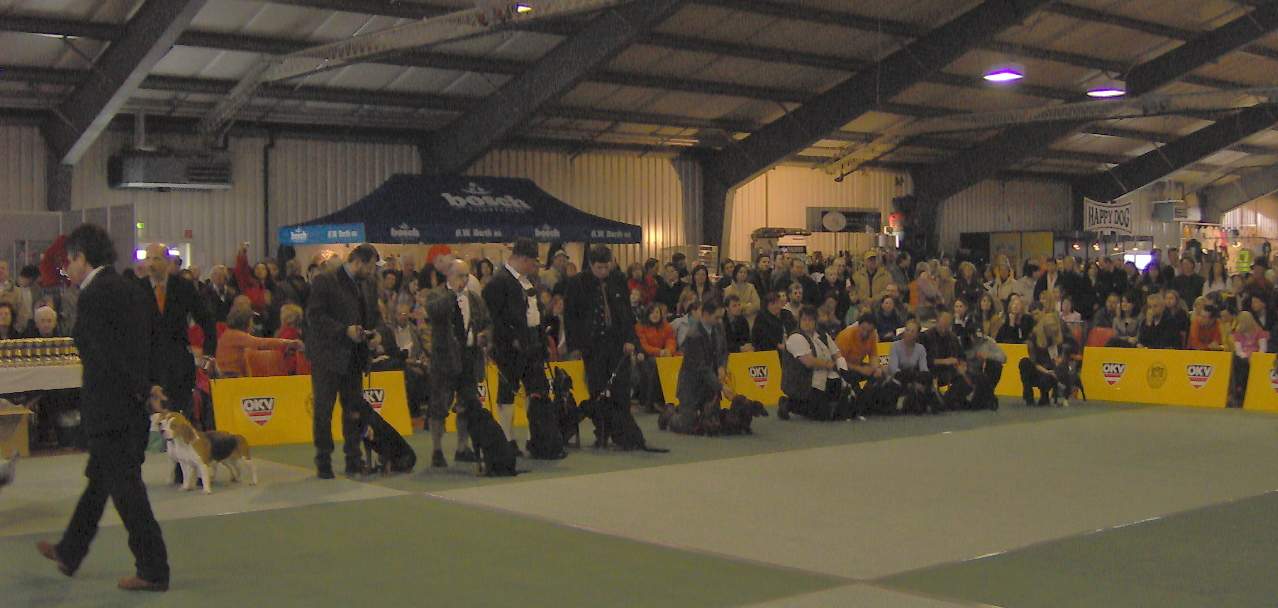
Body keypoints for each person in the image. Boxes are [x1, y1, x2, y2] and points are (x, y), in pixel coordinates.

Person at [36, 223, 170, 592]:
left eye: (69, 261)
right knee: (99, 482)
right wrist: (148, 387)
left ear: (82, 258)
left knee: (127, 492)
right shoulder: (129, 288)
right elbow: (146, 343)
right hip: (128, 406)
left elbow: (105, 355)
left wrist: (140, 388)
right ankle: (70, 551)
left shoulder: (94, 295)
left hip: (111, 407)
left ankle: (153, 569)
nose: (68, 269)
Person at [139, 243, 217, 483]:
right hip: (147, 362)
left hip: (178, 361)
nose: (151, 264)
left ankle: (190, 468)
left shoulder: (183, 287)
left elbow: (206, 319)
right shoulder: (137, 289)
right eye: (148, 259)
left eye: (156, 259)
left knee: (184, 416)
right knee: (146, 418)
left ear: (168, 262)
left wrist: (209, 353)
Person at [305, 244, 382, 479]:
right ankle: (324, 460)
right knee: (323, 411)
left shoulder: (368, 284)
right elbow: (315, 317)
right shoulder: (325, 281)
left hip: (354, 358)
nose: (372, 272)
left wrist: (376, 334)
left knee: (353, 411)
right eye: (370, 267)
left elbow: (374, 317)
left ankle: (353, 458)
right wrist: (343, 331)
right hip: (327, 357)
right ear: (357, 262)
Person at [563, 245, 638, 447]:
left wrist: (630, 339)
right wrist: (574, 347)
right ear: (590, 264)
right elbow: (570, 317)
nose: (604, 271)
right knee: (597, 390)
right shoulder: (577, 283)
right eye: (599, 267)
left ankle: (622, 433)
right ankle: (602, 432)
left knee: (621, 389)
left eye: (607, 267)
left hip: (617, 343)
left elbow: (627, 312)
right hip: (592, 346)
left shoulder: (619, 279)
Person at [483, 238, 548, 453]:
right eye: (532, 262)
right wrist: (511, 339)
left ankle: (535, 437)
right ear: (521, 259)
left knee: (536, 391)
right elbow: (495, 318)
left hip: (533, 343)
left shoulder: (528, 281)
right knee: (508, 392)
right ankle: (507, 439)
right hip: (509, 347)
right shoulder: (498, 282)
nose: (534, 267)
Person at [425, 259, 488, 467]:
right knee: (439, 406)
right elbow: (434, 311)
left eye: (466, 275)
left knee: (467, 404)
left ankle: (462, 446)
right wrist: (453, 294)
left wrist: (484, 335)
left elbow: (487, 323)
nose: (464, 279)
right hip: (444, 360)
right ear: (449, 276)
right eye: (460, 275)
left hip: (469, 357)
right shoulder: (437, 295)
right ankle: (436, 449)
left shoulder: (475, 299)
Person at [779, 305, 850, 421]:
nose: (807, 323)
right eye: (804, 319)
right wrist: (829, 364)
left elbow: (837, 354)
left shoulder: (823, 335)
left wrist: (843, 370)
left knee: (837, 407)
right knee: (821, 415)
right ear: (799, 321)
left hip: (826, 378)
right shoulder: (796, 337)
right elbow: (808, 361)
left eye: (810, 320)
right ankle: (788, 403)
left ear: (816, 321)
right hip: (805, 383)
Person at [674, 299, 727, 421]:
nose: (720, 320)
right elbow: (701, 367)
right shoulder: (693, 335)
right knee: (688, 423)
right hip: (691, 387)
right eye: (717, 317)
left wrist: (721, 366)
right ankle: (672, 416)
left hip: (709, 387)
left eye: (721, 317)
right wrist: (721, 387)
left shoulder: (719, 327)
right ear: (706, 314)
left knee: (714, 422)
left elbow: (724, 351)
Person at [215, 308, 301, 378]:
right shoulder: (235, 335)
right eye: (251, 320)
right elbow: (261, 343)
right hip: (230, 378)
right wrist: (286, 342)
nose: (252, 324)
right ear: (244, 322)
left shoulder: (230, 334)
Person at [1019, 313, 1077, 407]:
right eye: (1050, 329)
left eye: (1054, 329)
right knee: (1024, 362)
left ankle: (1047, 395)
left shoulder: (1056, 340)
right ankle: (1028, 394)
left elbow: (1056, 357)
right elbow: (1034, 362)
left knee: (1060, 369)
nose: (1053, 332)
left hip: (1051, 369)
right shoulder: (1033, 338)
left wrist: (1059, 362)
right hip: (1038, 369)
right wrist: (1046, 371)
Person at [835, 313, 884, 413]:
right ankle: (854, 404)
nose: (865, 333)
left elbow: (873, 356)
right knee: (853, 375)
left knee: (878, 375)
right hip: (841, 368)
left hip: (857, 365)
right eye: (863, 329)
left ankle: (864, 403)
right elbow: (839, 361)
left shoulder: (872, 336)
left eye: (869, 331)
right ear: (858, 326)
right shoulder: (846, 336)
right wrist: (860, 369)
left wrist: (875, 368)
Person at [886, 319, 934, 415]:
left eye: (912, 331)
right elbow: (894, 369)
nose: (909, 333)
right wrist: (913, 381)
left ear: (917, 335)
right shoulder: (895, 346)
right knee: (897, 382)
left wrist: (918, 379)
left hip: (914, 377)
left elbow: (924, 369)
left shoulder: (920, 348)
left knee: (927, 377)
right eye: (907, 330)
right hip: (898, 379)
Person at [635, 303, 676, 412]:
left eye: (657, 312)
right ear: (647, 314)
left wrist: (668, 350)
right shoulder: (640, 326)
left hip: (663, 355)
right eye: (652, 312)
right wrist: (660, 352)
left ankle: (669, 400)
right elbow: (644, 346)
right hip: (645, 356)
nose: (655, 315)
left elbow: (671, 340)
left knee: (672, 363)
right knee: (655, 364)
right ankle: (652, 402)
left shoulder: (666, 326)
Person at [1229, 311, 1268, 407]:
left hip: (1257, 358)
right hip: (1243, 359)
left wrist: (1255, 358)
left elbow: (1263, 349)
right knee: (1238, 362)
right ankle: (1240, 389)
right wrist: (1247, 357)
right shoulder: (1237, 334)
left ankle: (1242, 389)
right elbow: (1238, 350)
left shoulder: (1260, 332)